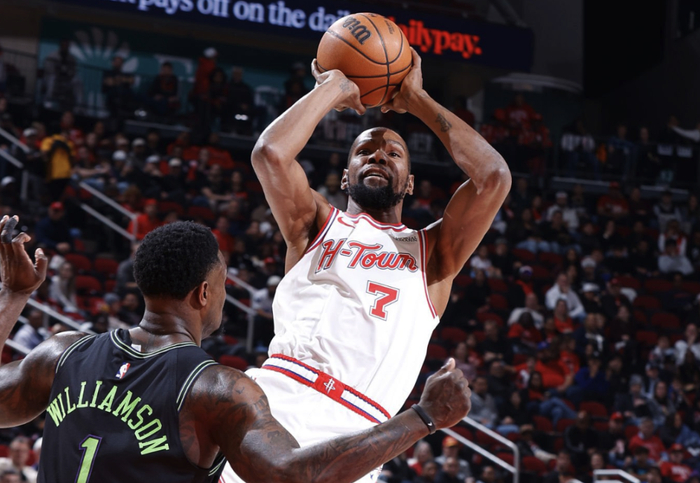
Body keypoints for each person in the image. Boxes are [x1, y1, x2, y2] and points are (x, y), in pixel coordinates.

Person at [0, 215, 471, 483]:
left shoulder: (62, 354)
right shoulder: (215, 389)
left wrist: (13, 295)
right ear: (204, 293)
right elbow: (290, 476)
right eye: (224, 282)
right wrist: (423, 417)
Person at [221, 49, 510, 483]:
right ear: (345, 176)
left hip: (359, 435)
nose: (378, 157)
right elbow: (270, 153)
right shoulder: (315, 224)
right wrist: (332, 88)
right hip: (277, 405)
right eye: (364, 151)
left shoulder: (433, 253)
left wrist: (416, 100)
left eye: (393, 153)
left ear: (409, 183)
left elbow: (494, 177)